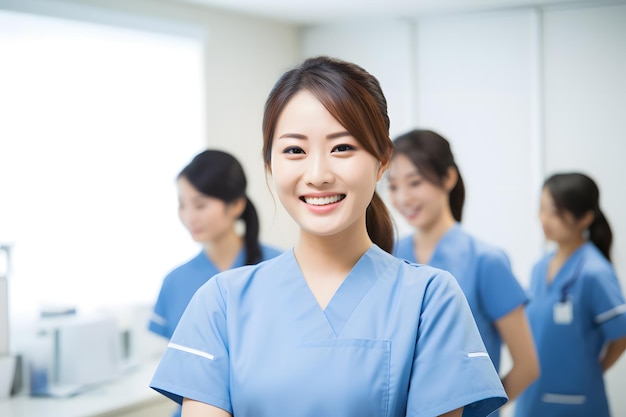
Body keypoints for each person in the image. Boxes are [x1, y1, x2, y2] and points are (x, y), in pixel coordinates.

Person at [149, 56, 507, 417]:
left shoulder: (431, 299)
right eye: (294, 150)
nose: (317, 174)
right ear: (270, 165)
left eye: (342, 147)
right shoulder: (220, 303)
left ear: (382, 160)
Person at [387, 129, 539, 412]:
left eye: (415, 182)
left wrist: (479, 410)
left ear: (448, 178)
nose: (403, 198)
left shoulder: (486, 261)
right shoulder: (388, 256)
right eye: (393, 186)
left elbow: (527, 366)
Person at [148, 149, 283, 417]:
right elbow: (185, 373)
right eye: (182, 205)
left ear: (235, 205)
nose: (189, 216)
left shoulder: (281, 269)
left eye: (199, 205)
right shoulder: (175, 282)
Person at [514, 172, 626, 417]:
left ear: (585, 218)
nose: (545, 219)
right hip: (532, 398)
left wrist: (593, 370)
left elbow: (621, 335)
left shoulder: (594, 273)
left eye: (556, 212)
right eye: (543, 209)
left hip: (576, 402)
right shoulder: (539, 268)